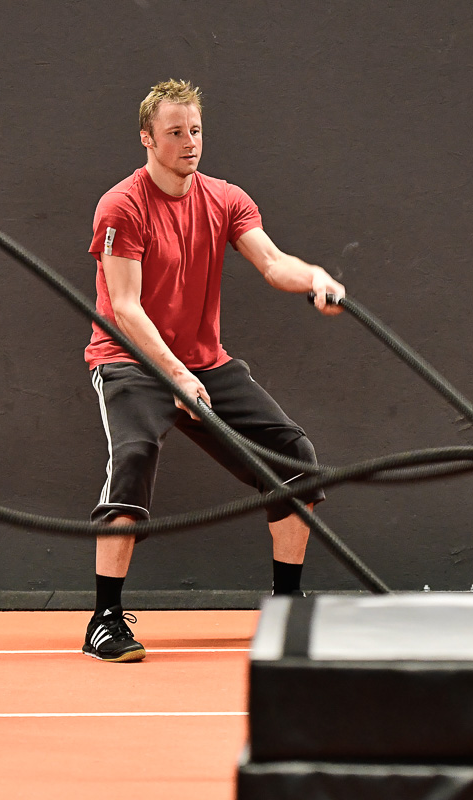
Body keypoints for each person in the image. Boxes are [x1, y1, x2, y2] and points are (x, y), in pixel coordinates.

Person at [80, 79, 344, 662]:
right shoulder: (121, 205)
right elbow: (124, 307)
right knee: (134, 457)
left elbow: (273, 263)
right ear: (148, 138)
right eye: (175, 132)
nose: (189, 142)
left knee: (294, 458)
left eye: (195, 130)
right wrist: (173, 374)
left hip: (206, 363)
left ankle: (287, 607)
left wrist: (317, 279)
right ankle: (104, 619)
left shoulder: (224, 198)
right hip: (132, 361)